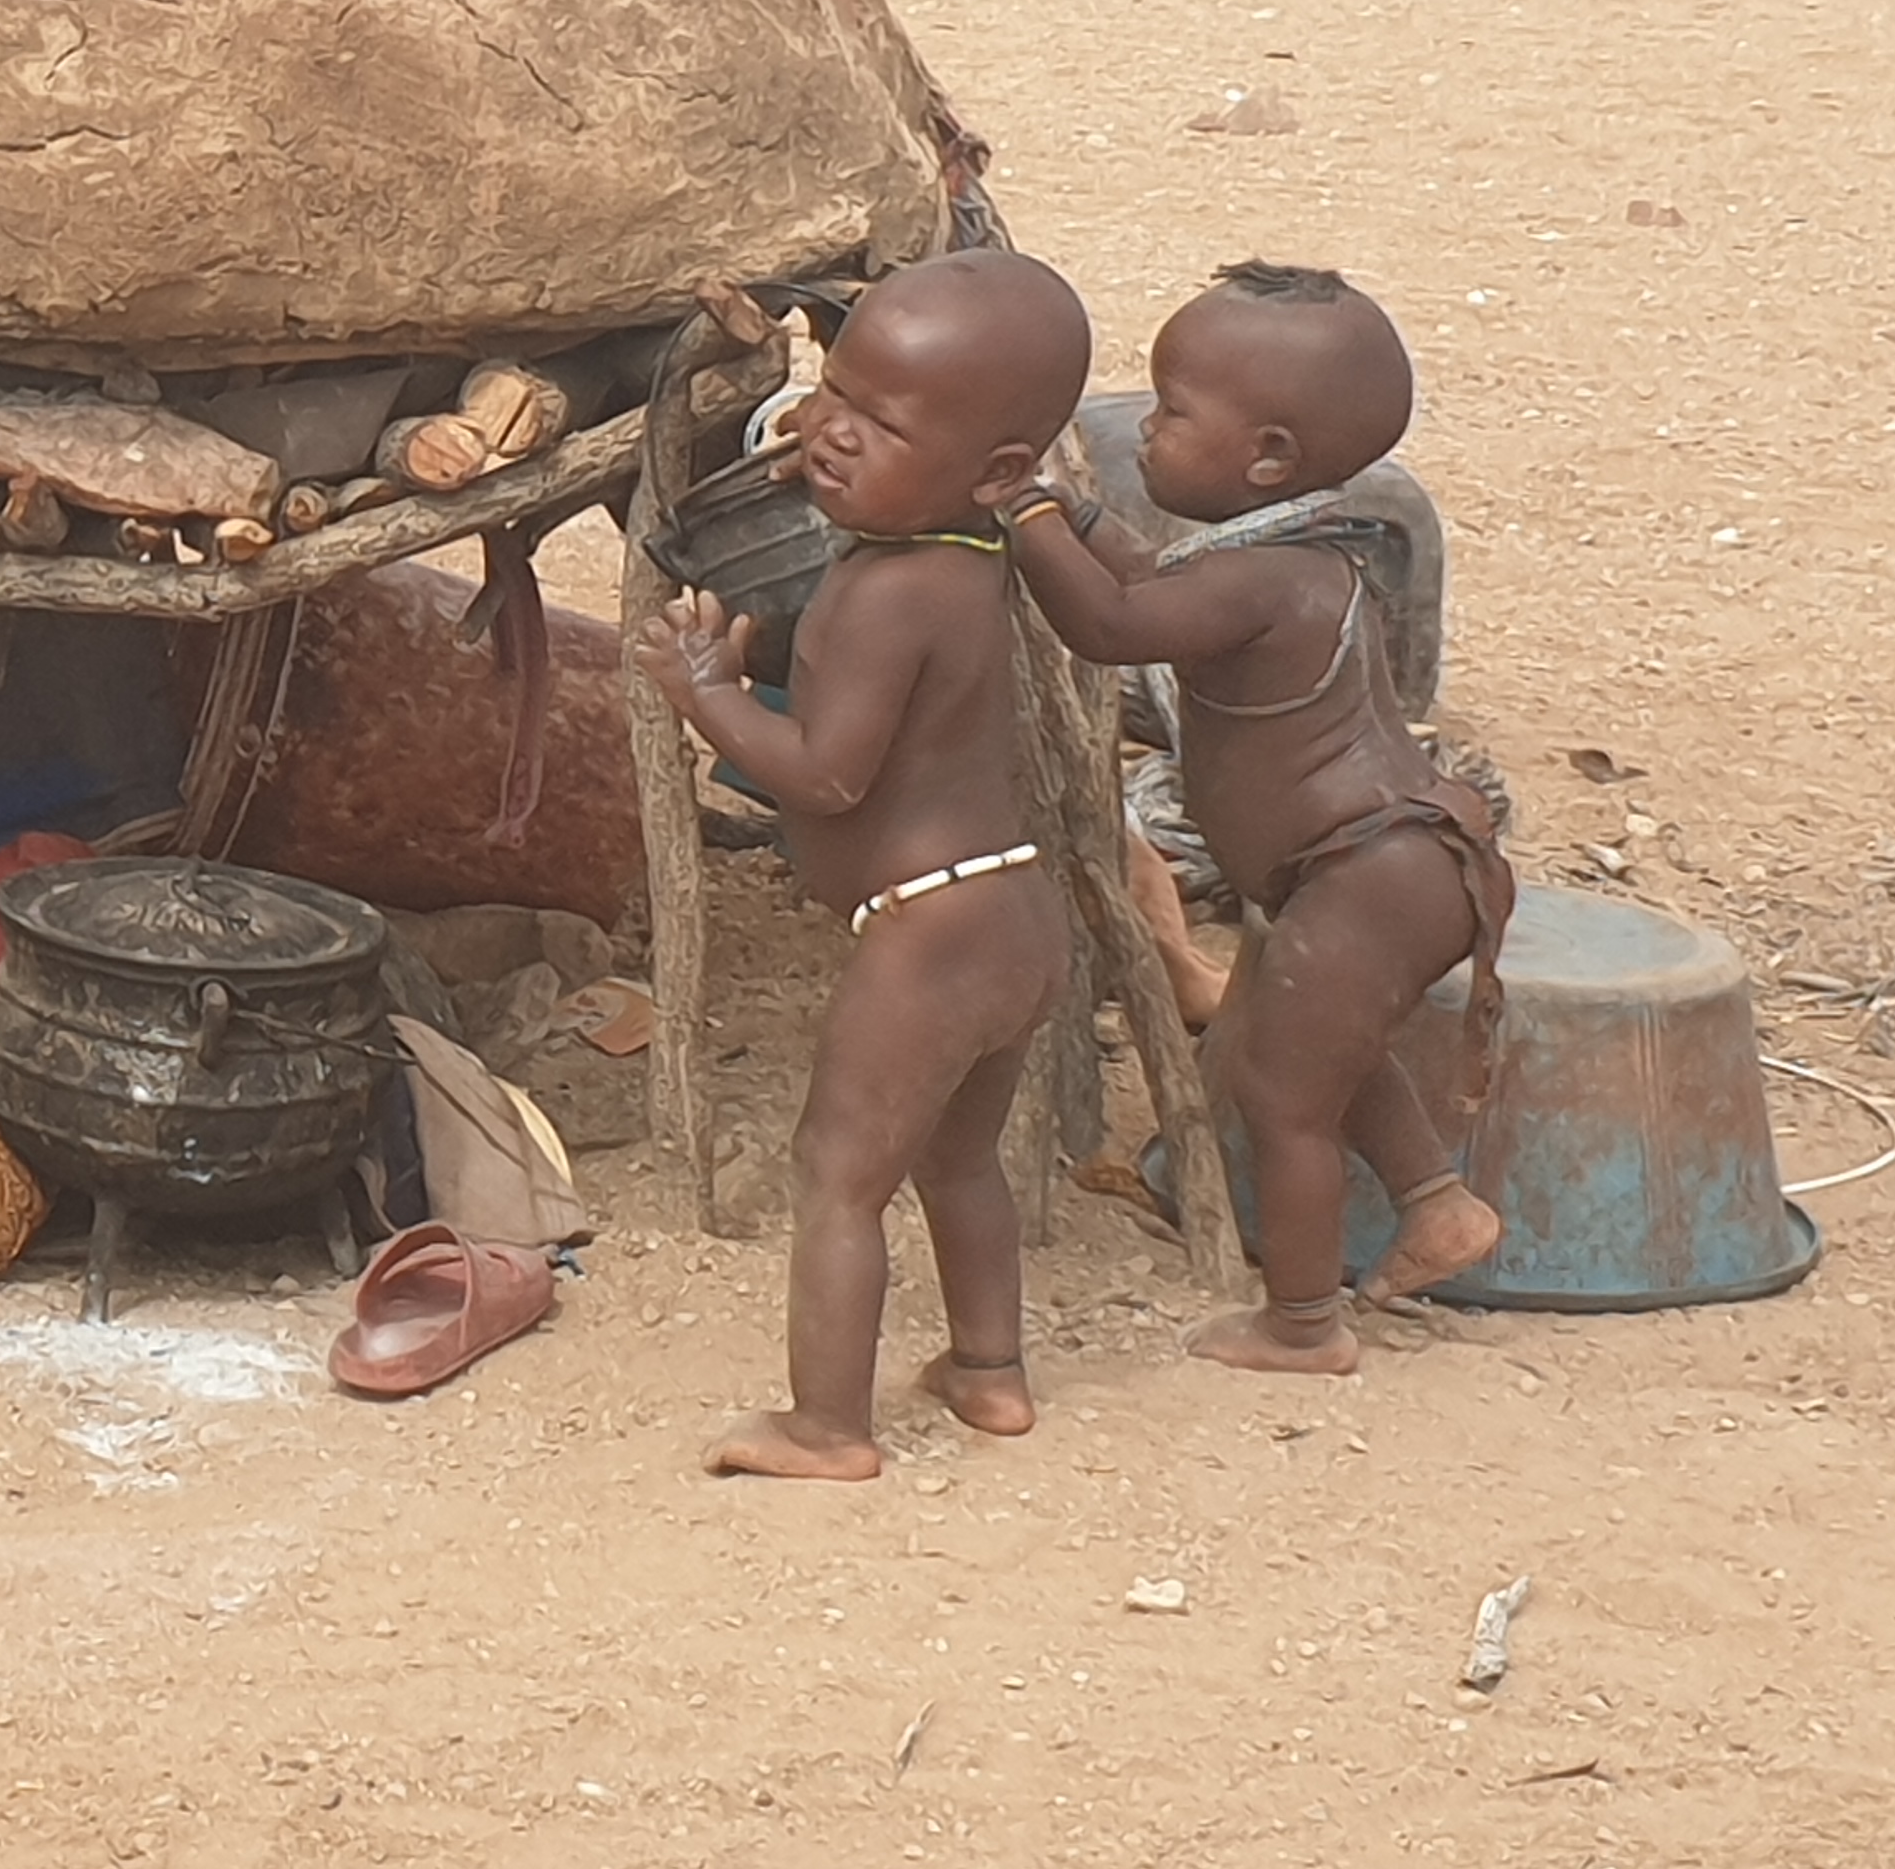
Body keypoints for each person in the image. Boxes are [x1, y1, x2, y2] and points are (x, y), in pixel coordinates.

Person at [994, 263, 1510, 1374]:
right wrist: (1082, 512)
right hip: (1379, 867)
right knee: (1325, 1046)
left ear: (1269, 457)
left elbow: (1115, 623)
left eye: (1173, 412)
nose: (1144, 434)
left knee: (1279, 1090)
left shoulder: (1274, 581)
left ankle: (1303, 1322)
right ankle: (1436, 1202)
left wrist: (1023, 510)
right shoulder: (1282, 557)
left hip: (1366, 874)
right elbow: (1160, 587)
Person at [634, 250, 1094, 1480]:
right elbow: (877, 471)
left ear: (995, 471)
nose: (829, 437)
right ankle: (989, 1373)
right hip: (1012, 915)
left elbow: (827, 775)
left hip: (927, 934)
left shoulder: (889, 595)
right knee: (958, 1157)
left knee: (837, 1175)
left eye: (878, 425)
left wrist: (706, 693)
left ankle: (827, 1425)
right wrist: (857, 449)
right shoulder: (962, 550)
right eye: (834, 395)